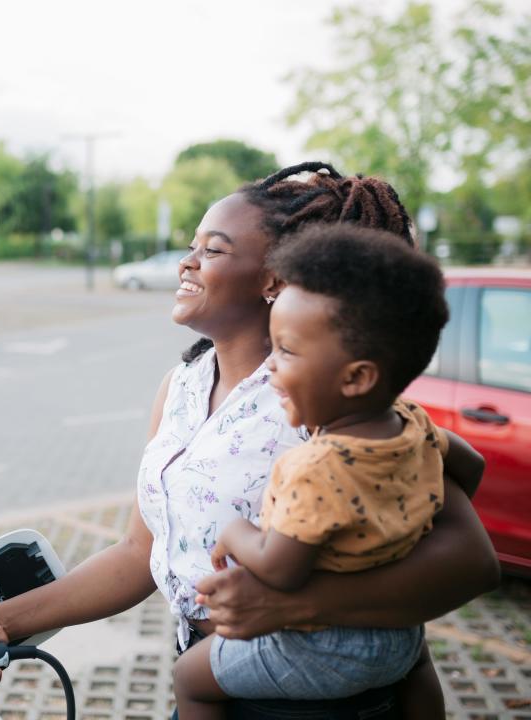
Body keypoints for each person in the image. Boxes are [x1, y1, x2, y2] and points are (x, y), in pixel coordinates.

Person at [0, 162, 500, 717]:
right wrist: (1, 622)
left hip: (314, 700)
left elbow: (471, 561)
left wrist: (291, 606)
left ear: (275, 280)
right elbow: (141, 554)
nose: (186, 263)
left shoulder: (323, 402)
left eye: (212, 250)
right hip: (216, 679)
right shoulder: (181, 386)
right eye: (192, 245)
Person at [171, 224, 485, 719]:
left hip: (318, 649)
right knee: (421, 670)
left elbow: (280, 569)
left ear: (357, 377)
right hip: (400, 641)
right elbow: (473, 466)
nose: (271, 366)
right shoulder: (413, 426)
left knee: (189, 677)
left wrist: (235, 532)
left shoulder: (315, 466)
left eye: (287, 352)